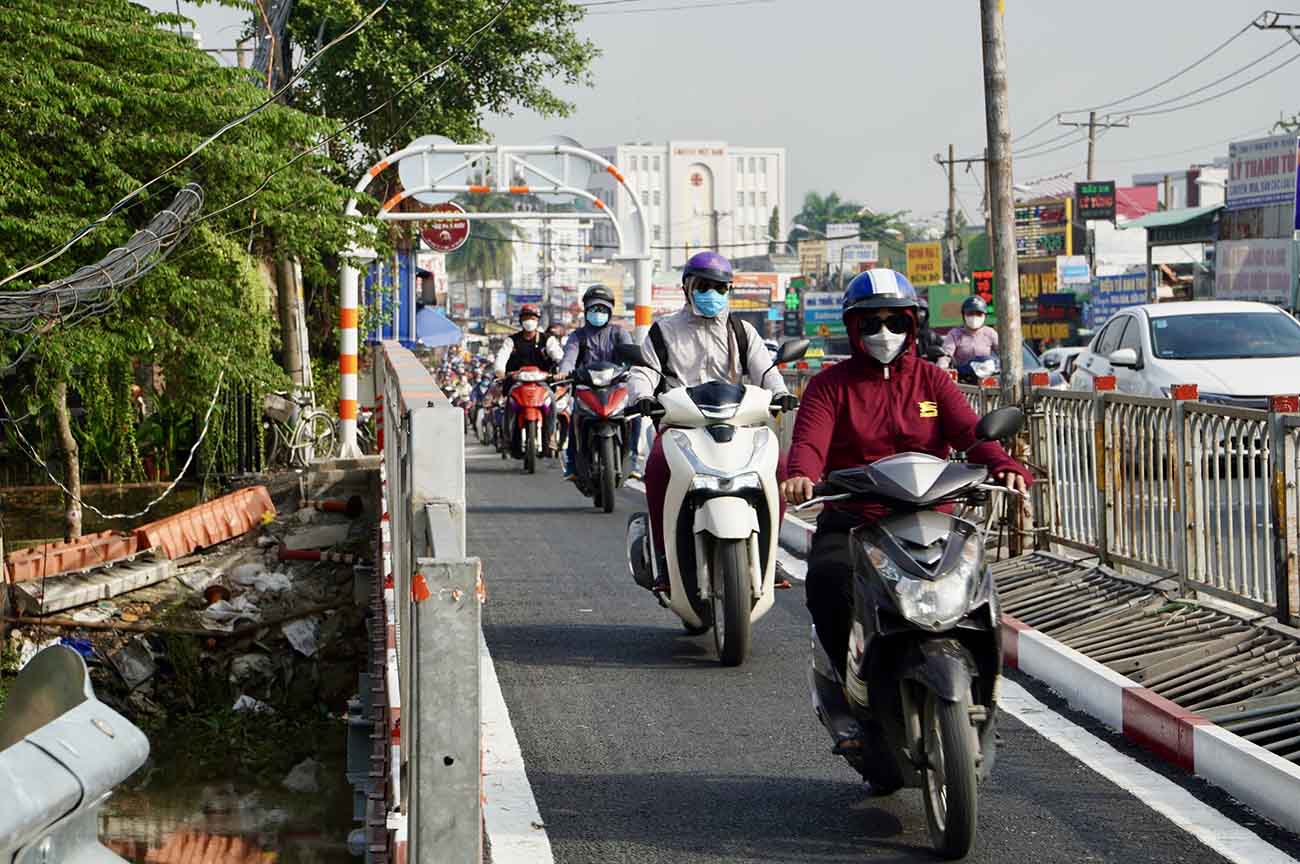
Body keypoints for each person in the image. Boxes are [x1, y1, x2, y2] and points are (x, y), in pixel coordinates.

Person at [780, 268, 1031, 754]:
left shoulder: (933, 380)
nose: (884, 333)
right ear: (853, 328)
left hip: (933, 520)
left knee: (980, 592)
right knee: (828, 581)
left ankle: (982, 694)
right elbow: (809, 440)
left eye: (895, 321)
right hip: (857, 518)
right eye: (871, 323)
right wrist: (801, 474)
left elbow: (971, 435)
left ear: (913, 325)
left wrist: (1002, 465)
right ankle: (846, 686)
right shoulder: (830, 386)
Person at [628, 250, 799, 592]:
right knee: (657, 468)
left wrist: (780, 393)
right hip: (681, 426)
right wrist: (641, 396)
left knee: (778, 467)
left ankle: (770, 551)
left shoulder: (742, 330)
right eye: (704, 286)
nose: (712, 294)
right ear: (687, 288)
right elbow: (644, 371)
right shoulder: (664, 332)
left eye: (720, 288)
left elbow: (765, 370)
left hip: (738, 425)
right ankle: (664, 559)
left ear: (729, 291)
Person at [557, 285, 635, 481]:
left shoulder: (619, 333)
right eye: (594, 309)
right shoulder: (577, 336)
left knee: (635, 415)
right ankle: (572, 464)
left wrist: (635, 367)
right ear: (586, 311)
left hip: (616, 388)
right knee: (576, 418)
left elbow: (631, 353)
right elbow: (569, 356)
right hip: (586, 388)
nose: (598, 313)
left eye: (602, 309)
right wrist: (563, 372)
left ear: (610, 311)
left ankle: (632, 459)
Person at [494, 305, 563, 457]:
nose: (529, 321)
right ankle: (506, 439)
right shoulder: (511, 341)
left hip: (542, 382)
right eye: (526, 318)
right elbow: (502, 357)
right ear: (520, 320)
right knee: (509, 404)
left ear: (537, 321)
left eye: (532, 318)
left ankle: (551, 436)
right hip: (518, 382)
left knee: (551, 400)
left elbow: (559, 356)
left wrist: (562, 371)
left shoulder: (548, 340)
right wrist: (500, 371)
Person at [938, 295, 998, 369]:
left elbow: (1002, 352)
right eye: (970, 313)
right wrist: (942, 366)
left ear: (984, 316)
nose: (974, 317)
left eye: (979, 314)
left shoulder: (990, 333)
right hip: (962, 377)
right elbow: (946, 355)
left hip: (987, 376)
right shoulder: (954, 334)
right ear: (963, 315)